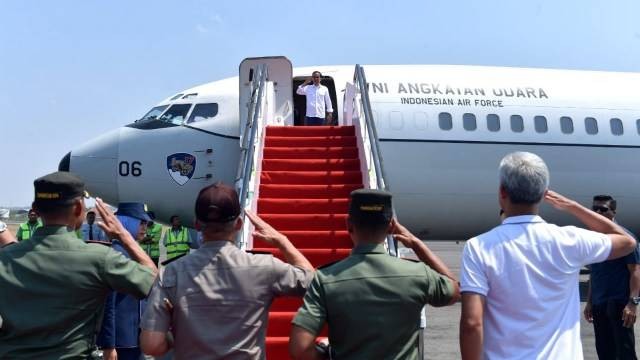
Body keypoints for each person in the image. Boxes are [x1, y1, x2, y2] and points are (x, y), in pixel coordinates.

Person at [459, 152, 637, 360]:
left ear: (502, 192)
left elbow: (472, 324)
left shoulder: (478, 247)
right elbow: (627, 241)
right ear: (544, 194)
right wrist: (573, 206)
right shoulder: (568, 240)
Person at [140, 182, 314, 359]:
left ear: (197, 225)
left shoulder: (171, 273)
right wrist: (282, 242)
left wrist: (176, 332)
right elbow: (311, 282)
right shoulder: (264, 267)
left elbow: (152, 345)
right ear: (238, 224)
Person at [0, 171, 157, 359]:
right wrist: (124, 236)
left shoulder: (5, 259)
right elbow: (153, 281)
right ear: (77, 208)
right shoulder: (100, 258)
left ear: (36, 208)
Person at [289, 189, 460, 360]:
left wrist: (328, 354)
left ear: (348, 224)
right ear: (391, 226)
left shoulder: (325, 279)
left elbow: (300, 348)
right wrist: (417, 245)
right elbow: (456, 290)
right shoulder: (418, 274)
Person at [584, 194, 640, 360]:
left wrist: (633, 303)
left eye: (603, 209)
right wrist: (589, 302)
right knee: (604, 351)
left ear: (613, 212)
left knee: (624, 352)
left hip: (619, 304)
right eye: (595, 209)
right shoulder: (594, 240)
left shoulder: (626, 238)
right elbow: (595, 273)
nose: (598, 213)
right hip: (599, 303)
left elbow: (635, 271)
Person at [97, 202, 153, 360]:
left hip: (135, 337)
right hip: (122, 341)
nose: (145, 227)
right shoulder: (117, 255)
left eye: (146, 223)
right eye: (141, 222)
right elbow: (109, 303)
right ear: (126, 221)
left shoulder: (132, 253)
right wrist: (109, 344)